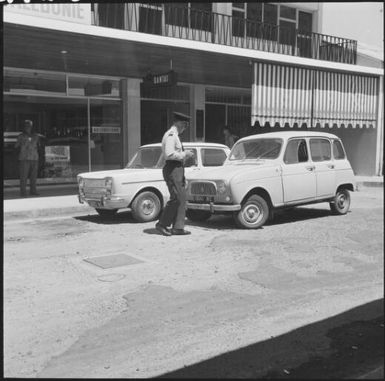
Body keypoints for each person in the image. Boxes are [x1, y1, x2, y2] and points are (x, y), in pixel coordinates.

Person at [155, 112, 195, 236]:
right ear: (179, 123)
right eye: (185, 125)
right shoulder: (171, 135)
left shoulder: (174, 135)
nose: (185, 127)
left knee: (181, 198)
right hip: (173, 168)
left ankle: (178, 227)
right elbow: (169, 154)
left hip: (177, 169)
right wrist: (185, 154)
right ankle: (162, 224)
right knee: (176, 198)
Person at [15, 120, 40, 197]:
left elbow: (39, 146)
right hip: (24, 158)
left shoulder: (36, 136)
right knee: (23, 177)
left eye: (30, 126)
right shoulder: (21, 136)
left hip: (34, 158)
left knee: (33, 177)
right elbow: (16, 146)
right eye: (27, 125)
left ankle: (33, 191)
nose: (28, 127)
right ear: (24, 127)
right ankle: (23, 192)